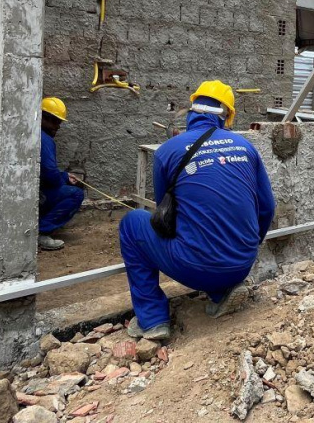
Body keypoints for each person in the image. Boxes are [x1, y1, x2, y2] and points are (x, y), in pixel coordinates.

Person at [118, 80, 275, 341]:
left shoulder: (168, 151)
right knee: (216, 231)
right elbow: (267, 207)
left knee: (133, 222)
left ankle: (153, 319)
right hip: (244, 263)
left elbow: (165, 216)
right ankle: (221, 291)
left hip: (195, 267)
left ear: (191, 112)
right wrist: (245, 246)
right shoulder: (246, 148)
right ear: (226, 116)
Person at [39, 97, 85, 251]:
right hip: (39, 195)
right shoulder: (45, 140)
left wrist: (65, 176)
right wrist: (63, 179)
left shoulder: (33, 133)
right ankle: (42, 231)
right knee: (75, 194)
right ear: (43, 118)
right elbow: (51, 177)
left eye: (59, 122)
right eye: (54, 121)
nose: (57, 127)